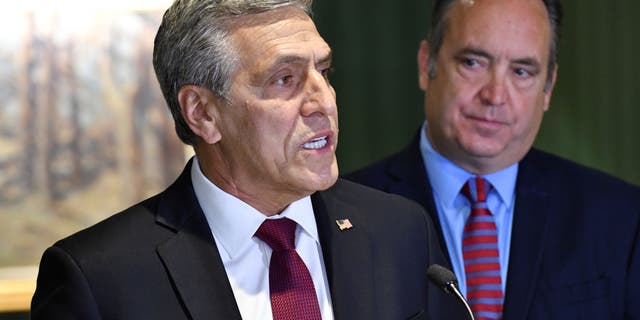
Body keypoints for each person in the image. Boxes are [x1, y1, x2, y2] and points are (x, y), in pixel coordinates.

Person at [30, 1, 441, 319]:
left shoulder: (399, 231)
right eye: (286, 79)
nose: (324, 103)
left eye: (325, 72)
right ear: (203, 113)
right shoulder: (99, 280)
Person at [346, 0, 640, 319]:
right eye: (473, 62)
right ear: (425, 64)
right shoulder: (343, 214)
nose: (495, 95)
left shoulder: (620, 216)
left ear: (548, 88)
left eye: (522, 71)